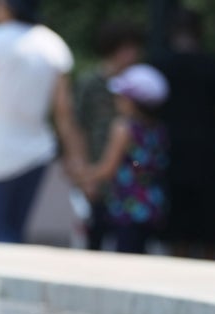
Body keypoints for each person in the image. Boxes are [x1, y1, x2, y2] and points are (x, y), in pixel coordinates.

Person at [0, 0, 87, 243]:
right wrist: (76, 158)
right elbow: (64, 111)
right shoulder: (52, 44)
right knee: (13, 231)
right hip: (37, 152)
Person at [153, 7, 215, 259]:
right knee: (208, 229)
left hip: (170, 154)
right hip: (207, 154)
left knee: (177, 229)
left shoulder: (160, 65)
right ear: (200, 32)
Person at [81, 64, 170, 254]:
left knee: (124, 256)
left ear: (132, 101)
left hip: (128, 204)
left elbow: (109, 168)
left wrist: (86, 175)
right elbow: (143, 163)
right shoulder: (158, 129)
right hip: (152, 202)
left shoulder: (123, 128)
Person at [74, 19, 145, 250]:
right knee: (95, 240)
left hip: (130, 181)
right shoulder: (90, 84)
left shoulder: (139, 84)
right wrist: (84, 173)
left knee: (129, 246)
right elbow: (78, 129)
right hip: (99, 176)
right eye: (127, 48)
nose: (132, 54)